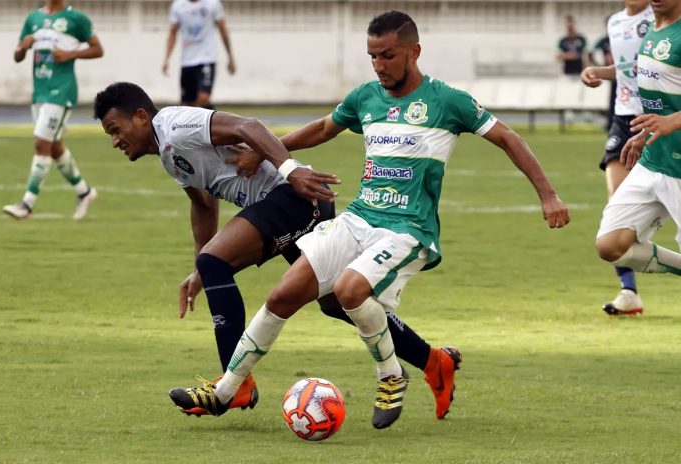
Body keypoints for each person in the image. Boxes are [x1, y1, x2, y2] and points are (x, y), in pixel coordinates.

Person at [186, 10, 570, 430]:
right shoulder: (366, 97)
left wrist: (548, 195)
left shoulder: (447, 101)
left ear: (414, 51)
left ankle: (391, 374)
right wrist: (269, 150)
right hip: (359, 219)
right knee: (282, 296)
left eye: (388, 55)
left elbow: (507, 138)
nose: (379, 65)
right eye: (372, 56)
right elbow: (323, 128)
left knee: (350, 291)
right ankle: (225, 392)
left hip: (408, 228)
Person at [93, 82, 463, 421]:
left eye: (115, 130)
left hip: (293, 197)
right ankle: (433, 361)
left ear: (141, 117)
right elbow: (204, 205)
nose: (114, 141)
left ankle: (233, 385)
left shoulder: (175, 124)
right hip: (288, 206)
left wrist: (290, 171)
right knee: (337, 301)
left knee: (218, 261)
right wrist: (198, 269)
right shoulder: (168, 154)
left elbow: (248, 126)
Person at [597, 0, 681, 294]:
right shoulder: (652, 35)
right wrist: (647, 133)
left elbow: (671, 113)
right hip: (654, 160)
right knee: (610, 244)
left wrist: (673, 121)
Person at [580, 0, 653, 316]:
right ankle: (628, 291)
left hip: (658, 116)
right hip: (623, 120)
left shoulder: (663, 16)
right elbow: (627, 70)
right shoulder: (614, 22)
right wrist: (598, 71)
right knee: (617, 209)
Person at [3, 0, 103, 220]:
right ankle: (84, 192)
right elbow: (17, 57)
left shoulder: (76, 19)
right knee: (54, 147)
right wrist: (23, 47)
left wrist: (70, 55)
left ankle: (27, 204)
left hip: (62, 91)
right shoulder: (33, 19)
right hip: (40, 92)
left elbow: (98, 49)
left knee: (41, 143)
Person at [162, 0, 235, 108]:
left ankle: (211, 121)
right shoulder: (178, 6)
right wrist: (167, 58)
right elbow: (173, 32)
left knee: (203, 98)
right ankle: (202, 122)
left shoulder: (213, 4)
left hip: (207, 58)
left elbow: (223, 29)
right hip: (187, 61)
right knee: (188, 104)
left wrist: (230, 57)